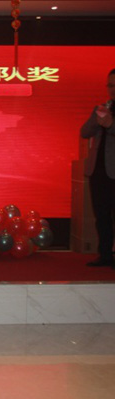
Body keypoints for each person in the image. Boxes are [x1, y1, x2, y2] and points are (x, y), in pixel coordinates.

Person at [81, 68, 115, 267]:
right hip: (98, 170)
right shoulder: (102, 108)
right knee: (101, 215)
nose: (112, 89)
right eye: (109, 85)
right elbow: (84, 132)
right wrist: (97, 119)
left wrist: (110, 124)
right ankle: (105, 254)